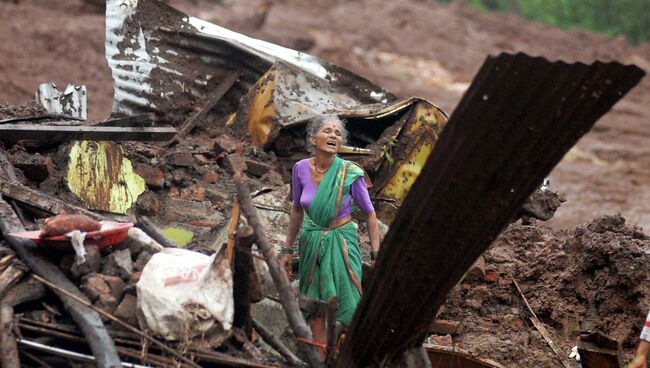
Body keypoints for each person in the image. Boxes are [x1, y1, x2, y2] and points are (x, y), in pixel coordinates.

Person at [281, 114, 381, 351]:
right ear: (313, 138)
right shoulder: (300, 169)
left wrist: (377, 255)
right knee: (315, 306)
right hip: (311, 242)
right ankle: (320, 355)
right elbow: (296, 210)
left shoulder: (350, 172)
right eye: (328, 131)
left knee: (349, 303)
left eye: (337, 133)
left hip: (342, 243)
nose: (333, 136)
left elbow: (370, 214)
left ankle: (348, 353)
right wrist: (287, 249)